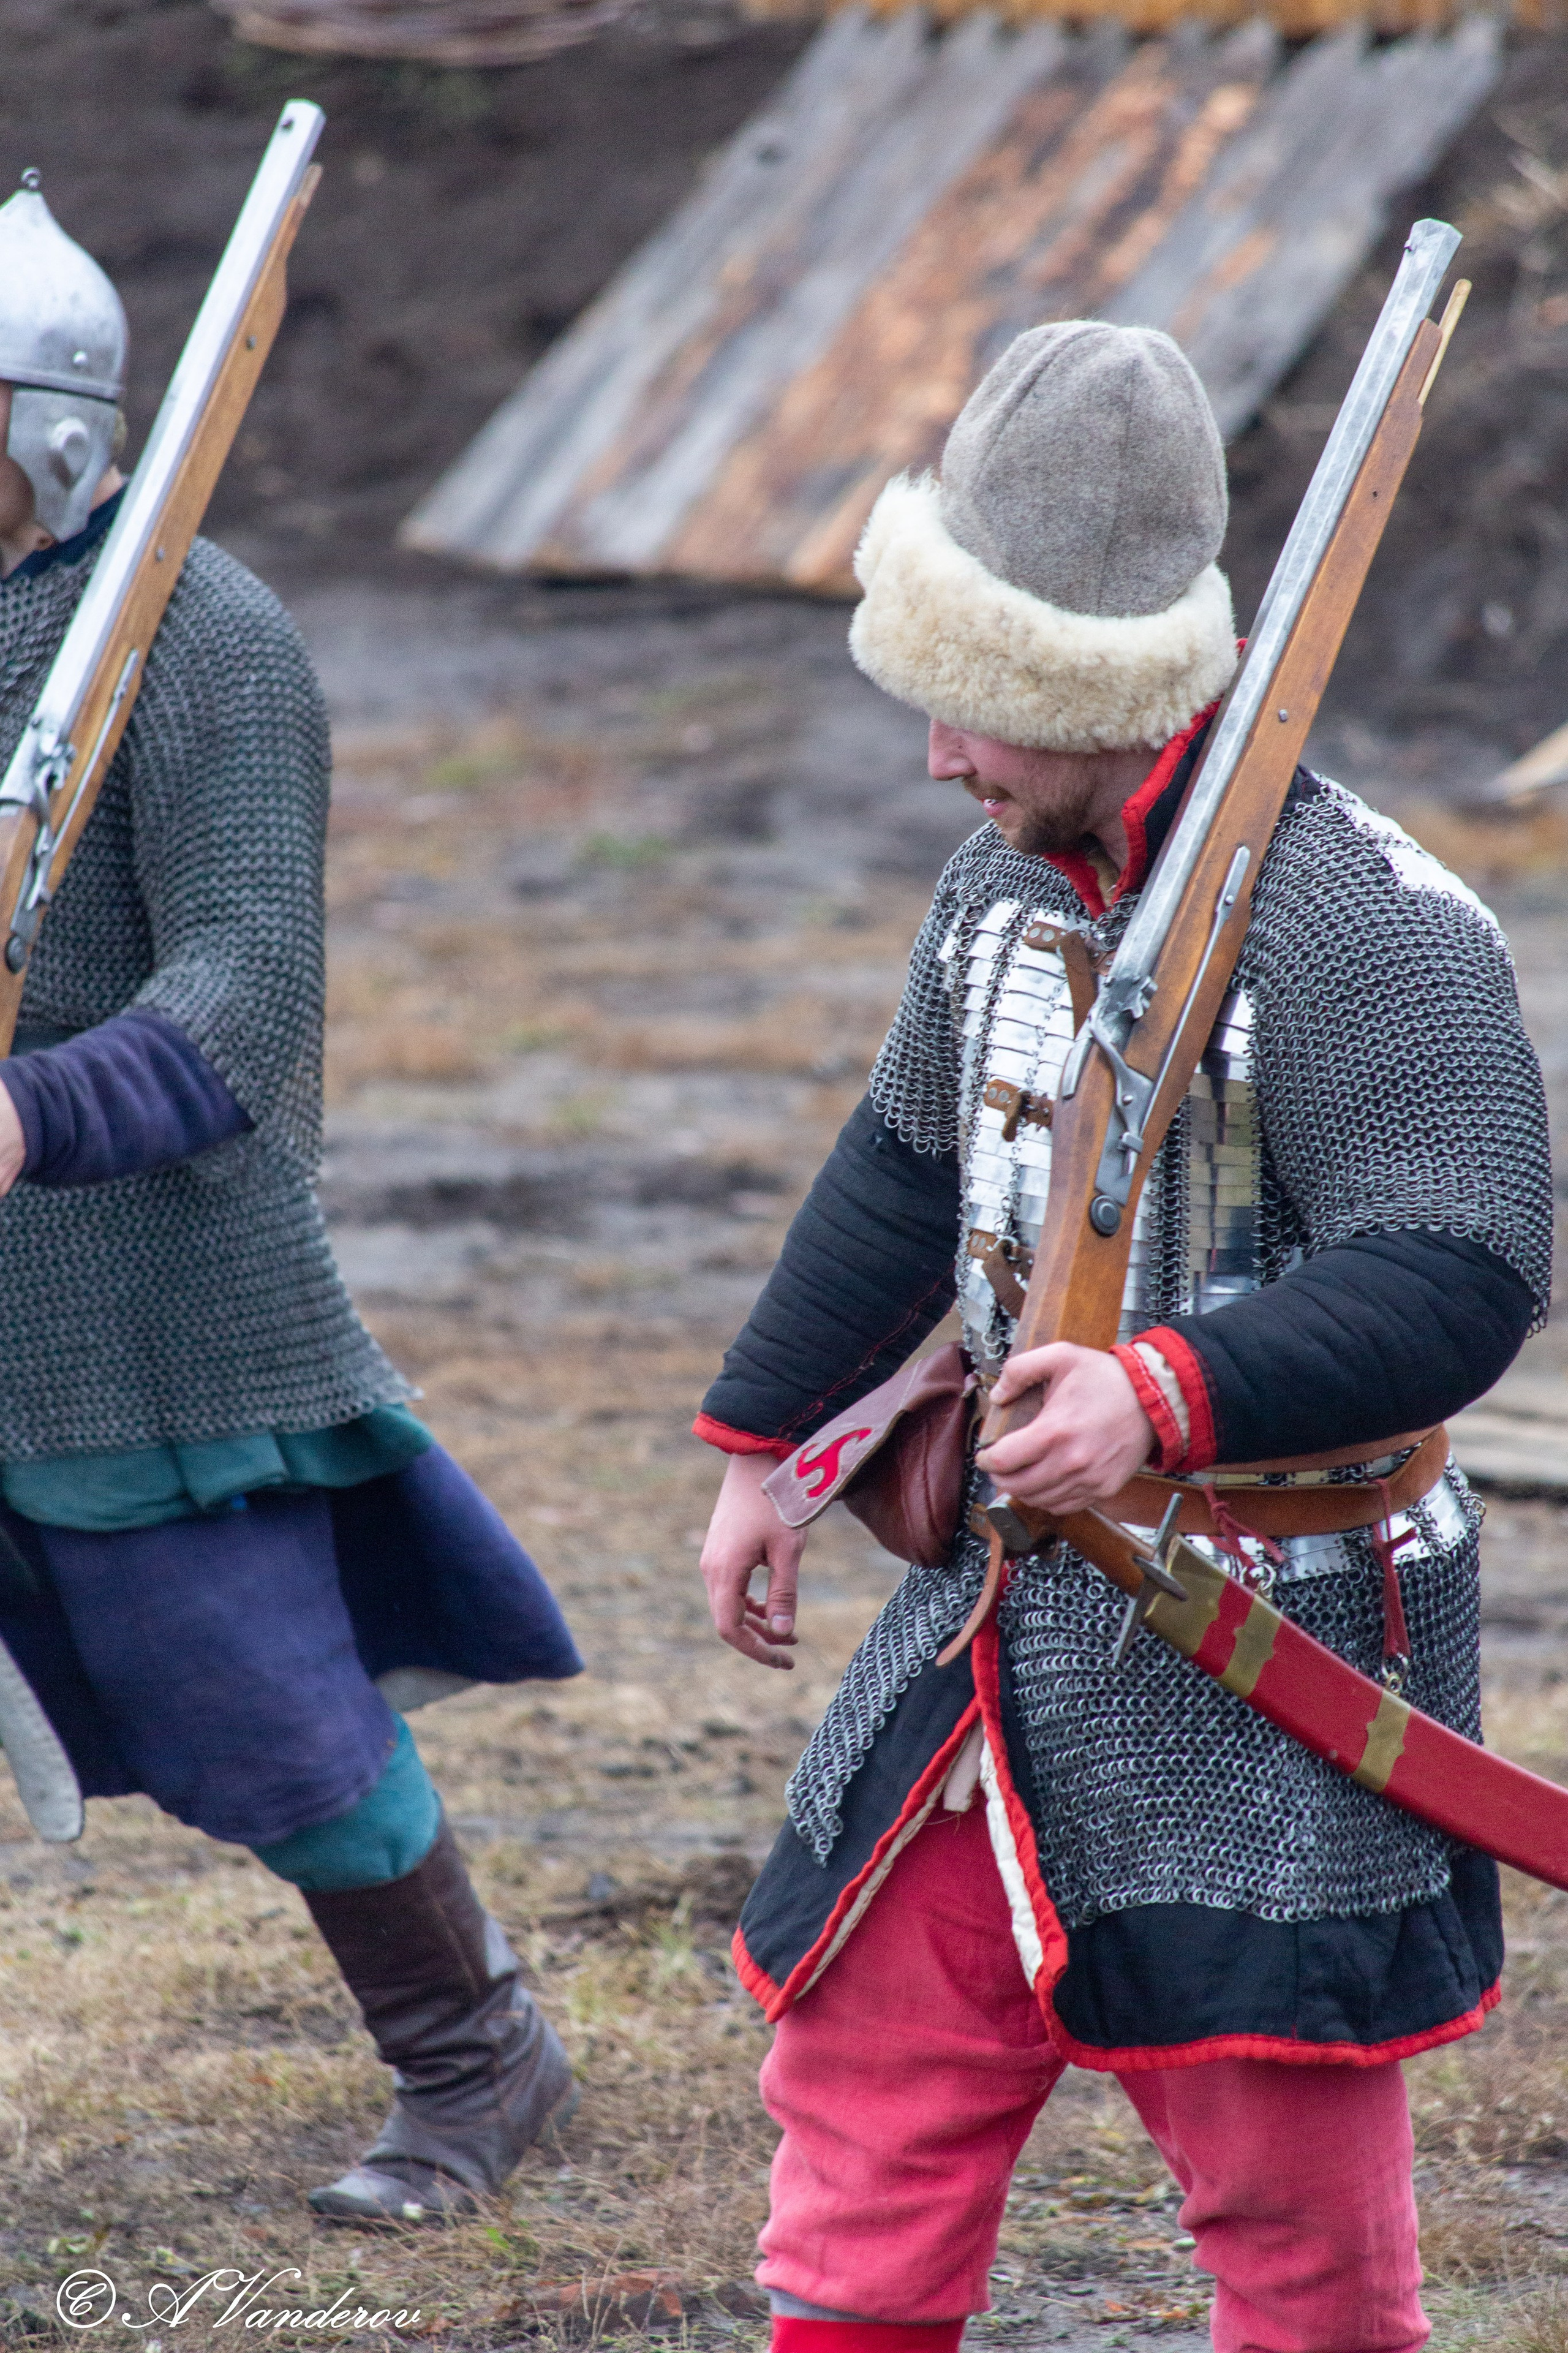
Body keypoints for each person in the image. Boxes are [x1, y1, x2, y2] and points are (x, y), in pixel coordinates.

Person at [695, 321, 1551, 2353]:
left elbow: (1467, 1260)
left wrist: (1168, 1391)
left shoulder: (1366, 925)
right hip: (1002, 1618)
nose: (936, 758)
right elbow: (906, 1164)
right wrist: (764, 1451)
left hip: (1267, 1636)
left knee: (1291, 2201)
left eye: (973, 711)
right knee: (871, 2077)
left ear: (1073, 691)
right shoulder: (998, 892)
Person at [0, 172, 581, 2225]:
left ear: (43, 434)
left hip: (139, 1293)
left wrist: (25, 1117)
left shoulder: (209, 642)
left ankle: (479, 2057)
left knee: (267, 1717)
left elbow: (241, 988)